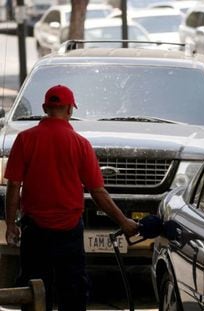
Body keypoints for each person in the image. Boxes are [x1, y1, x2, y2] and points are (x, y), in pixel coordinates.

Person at [4, 85, 139, 311]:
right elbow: (98, 193)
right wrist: (123, 222)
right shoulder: (81, 144)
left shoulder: (25, 139)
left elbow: (13, 186)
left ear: (45, 108)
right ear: (70, 110)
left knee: (34, 290)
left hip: (34, 230)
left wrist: (10, 224)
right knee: (73, 290)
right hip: (69, 231)